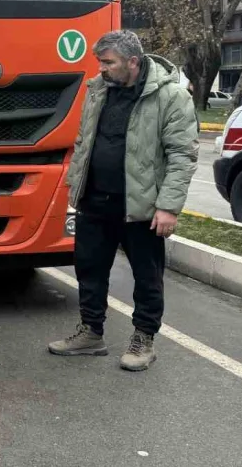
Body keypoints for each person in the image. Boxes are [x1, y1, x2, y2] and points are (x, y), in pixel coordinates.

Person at [51, 30, 198, 370]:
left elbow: (182, 155)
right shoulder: (98, 89)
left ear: (133, 62)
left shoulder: (171, 96)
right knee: (89, 268)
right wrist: (76, 184)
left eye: (108, 62)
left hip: (141, 207)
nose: (101, 69)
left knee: (146, 275)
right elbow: (84, 141)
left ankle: (143, 339)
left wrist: (168, 206)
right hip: (95, 199)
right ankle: (91, 332)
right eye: (100, 62)